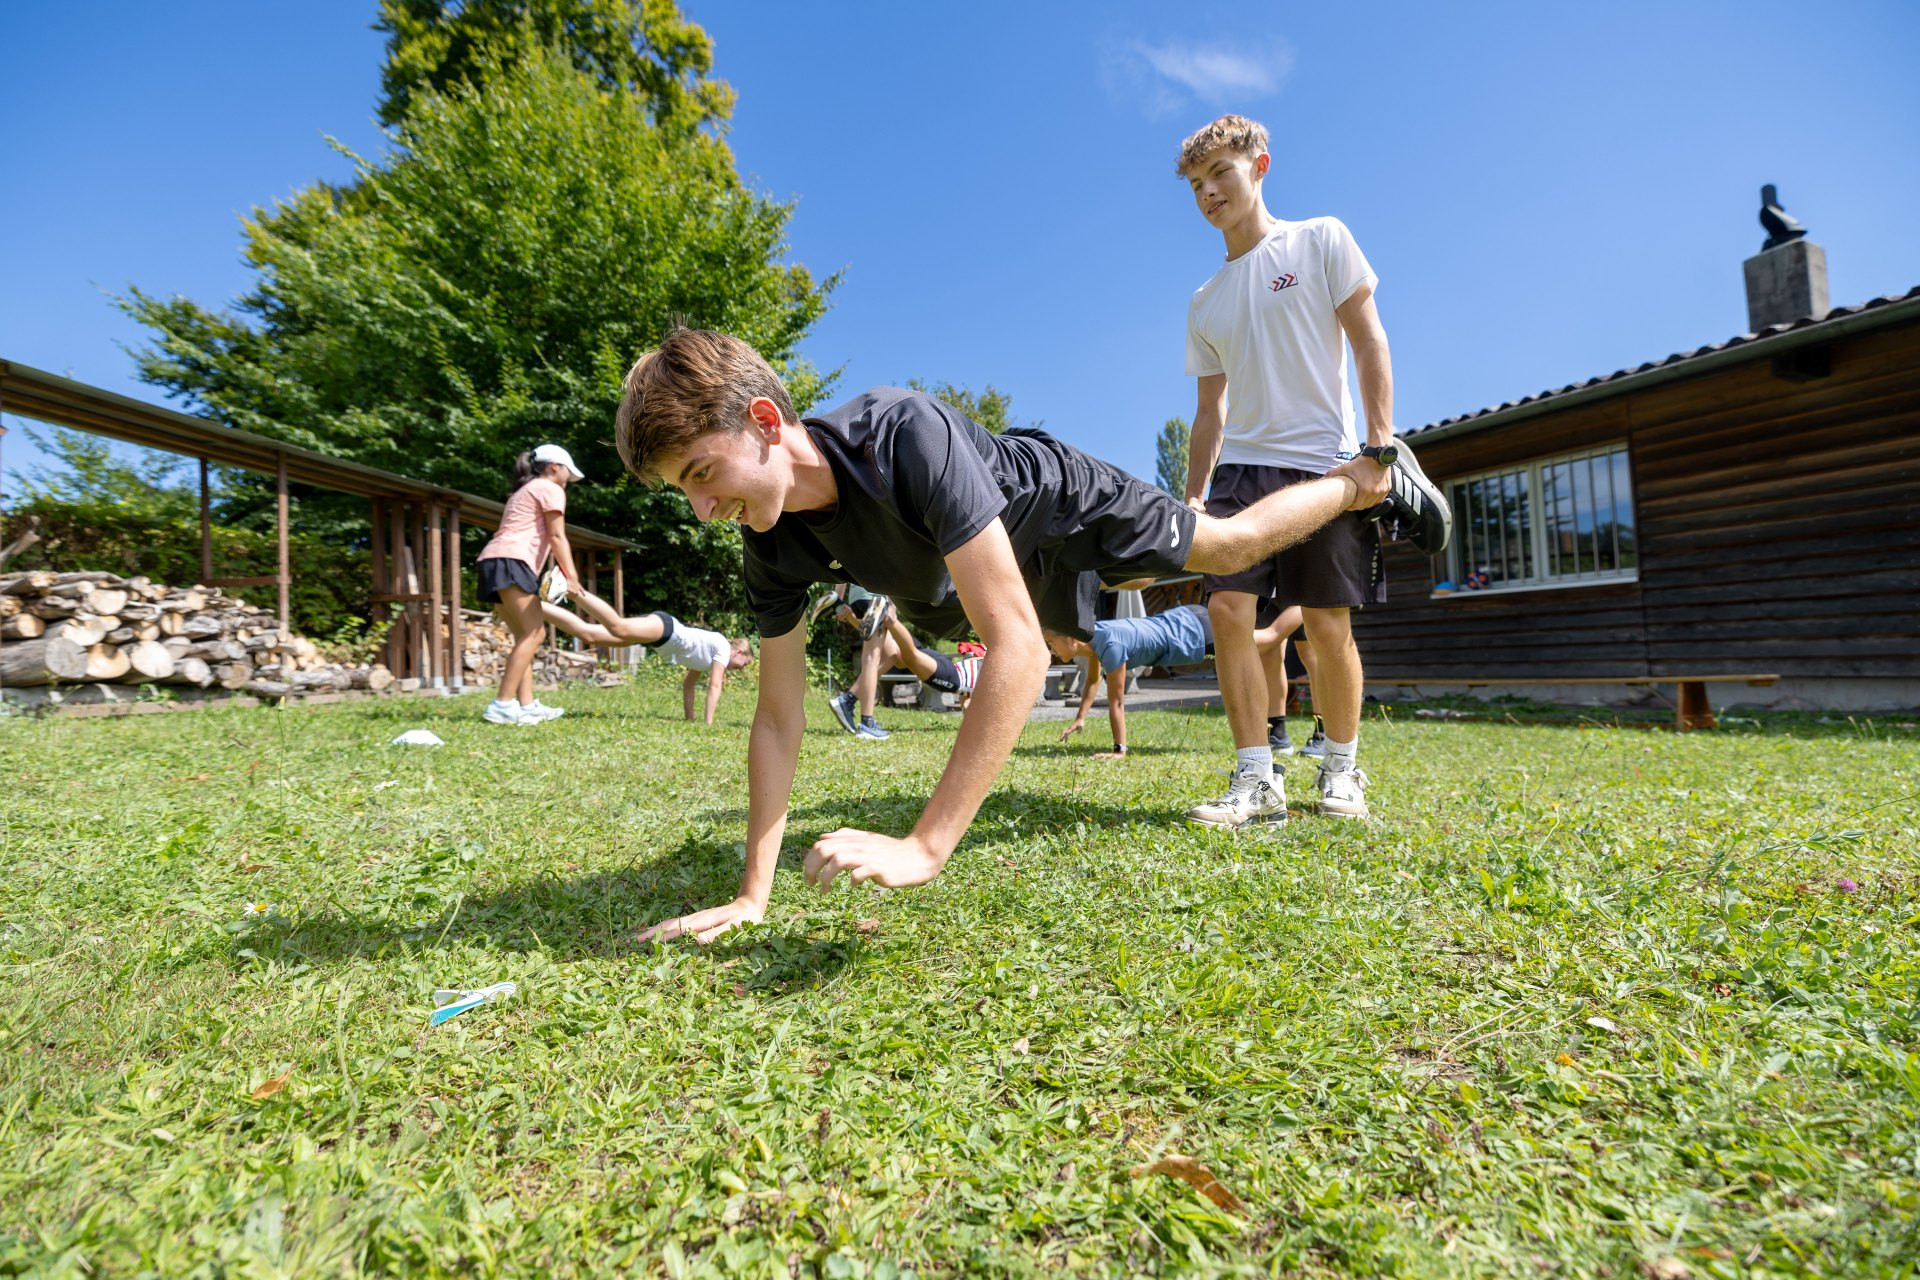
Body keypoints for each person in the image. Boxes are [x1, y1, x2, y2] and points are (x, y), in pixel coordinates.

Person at [613, 326, 1433, 943]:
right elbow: (778, 716)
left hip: (1057, 505)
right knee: (1098, 610)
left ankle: (1364, 479)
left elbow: (1019, 651)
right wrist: (753, 895)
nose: (701, 509)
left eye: (701, 474)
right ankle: (1350, 485)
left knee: (1221, 547)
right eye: (683, 489)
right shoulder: (771, 542)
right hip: (998, 567)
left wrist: (926, 845)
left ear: (764, 420)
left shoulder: (901, 435)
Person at [1177, 113, 1446, 825]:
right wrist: (1195, 496)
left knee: (1327, 627)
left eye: (1221, 175)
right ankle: (1256, 779)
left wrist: (1380, 448)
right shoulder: (1204, 301)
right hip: (1241, 474)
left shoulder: (1321, 239)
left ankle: (1342, 771)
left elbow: (1369, 339)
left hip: (1326, 467)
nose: (1209, 193)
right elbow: (1210, 410)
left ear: (1260, 167)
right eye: (1197, 185)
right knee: (1228, 611)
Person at [1048, 596, 1302, 768]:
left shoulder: (1110, 646)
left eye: (1052, 643)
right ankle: (1295, 607)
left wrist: (1119, 750)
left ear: (1071, 640)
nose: (1051, 650)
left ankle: (1305, 604)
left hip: (1192, 634)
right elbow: (1093, 680)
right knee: (1265, 645)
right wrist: (1080, 717)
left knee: (1269, 638)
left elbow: (1116, 703)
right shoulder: (1095, 635)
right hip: (1187, 617)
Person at [473, 443, 584, 725]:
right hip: (512, 561)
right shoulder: (550, 489)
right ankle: (502, 704)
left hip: (494, 561)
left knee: (525, 636)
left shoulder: (524, 490)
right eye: (566, 476)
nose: (566, 483)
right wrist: (571, 576)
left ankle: (526, 705)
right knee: (534, 635)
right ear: (554, 468)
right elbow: (557, 537)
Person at [540, 584, 752, 725]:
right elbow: (715, 686)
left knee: (589, 634)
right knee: (618, 626)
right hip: (668, 630)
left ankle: (535, 605)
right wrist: (708, 725)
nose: (740, 668)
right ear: (739, 651)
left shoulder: (707, 658)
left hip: (661, 636)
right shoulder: (723, 648)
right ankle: (569, 588)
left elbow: (689, 685)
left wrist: (690, 719)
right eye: (743, 663)